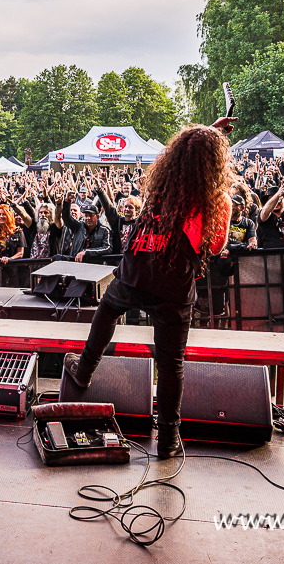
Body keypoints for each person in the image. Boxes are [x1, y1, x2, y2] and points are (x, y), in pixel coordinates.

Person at [63, 118, 234, 459]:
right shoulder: (216, 199)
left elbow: (185, 153)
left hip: (135, 274)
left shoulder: (162, 183)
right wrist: (212, 137)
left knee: (108, 310)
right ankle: (168, 439)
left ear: (175, 155)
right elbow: (215, 247)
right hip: (173, 286)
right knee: (171, 364)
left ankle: (84, 370)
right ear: (215, 163)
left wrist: (207, 132)